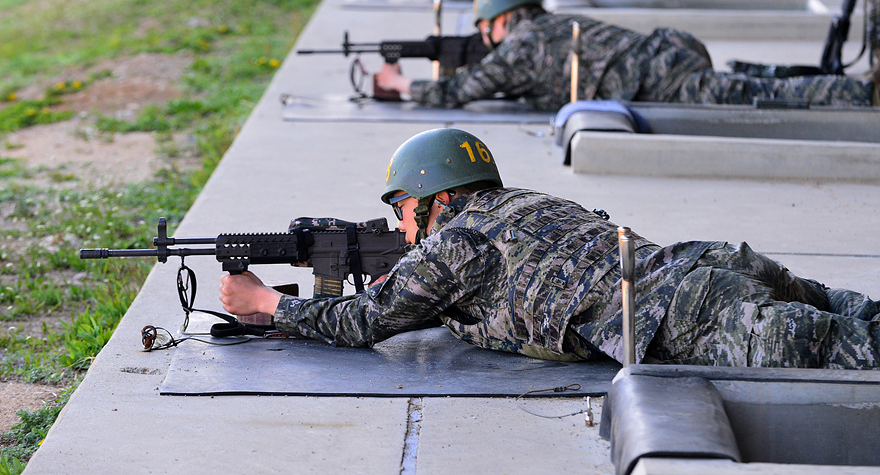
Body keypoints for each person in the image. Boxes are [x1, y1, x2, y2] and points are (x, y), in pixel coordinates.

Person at [218, 127, 880, 368]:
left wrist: (269, 304)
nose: (401, 223)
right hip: (716, 265)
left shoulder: (455, 243)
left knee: (859, 354)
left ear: (435, 197)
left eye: (402, 208)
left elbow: (366, 321)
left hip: (695, 317)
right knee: (858, 313)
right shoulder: (528, 201)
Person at [376, 0, 878, 111]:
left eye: (487, 28)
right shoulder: (554, 21)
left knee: (751, 95)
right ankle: (843, 82)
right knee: (748, 78)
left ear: (499, 19)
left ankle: (860, 94)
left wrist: (402, 86)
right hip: (671, 50)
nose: (485, 38)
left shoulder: (520, 45)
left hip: (655, 80)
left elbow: (459, 91)